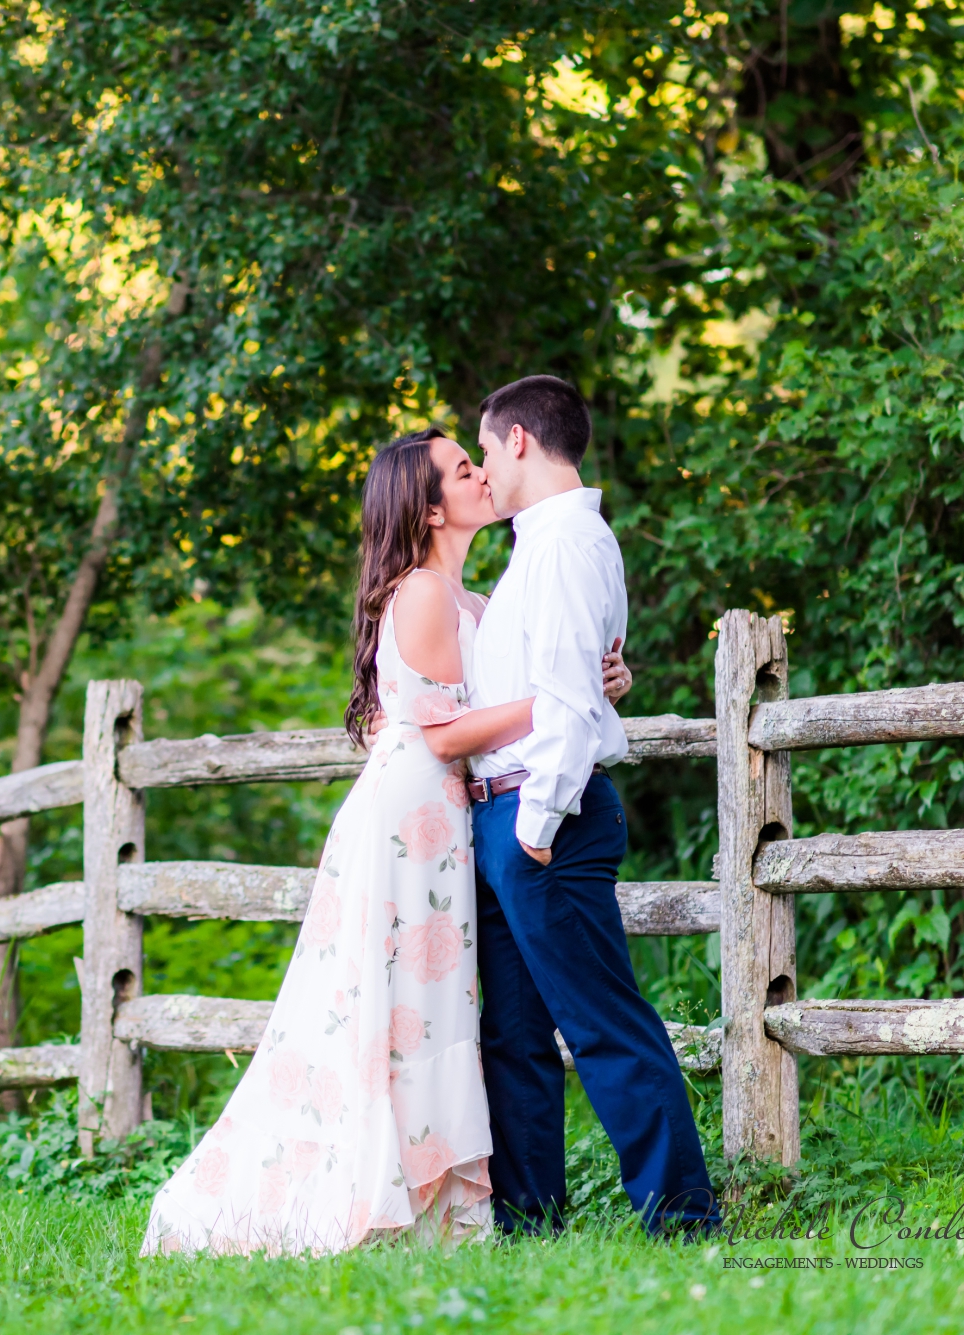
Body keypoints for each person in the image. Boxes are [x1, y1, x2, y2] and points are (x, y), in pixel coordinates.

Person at [139, 428, 630, 1256]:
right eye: (463, 469)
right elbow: (442, 733)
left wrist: (597, 680)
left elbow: (541, 676)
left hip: (444, 818)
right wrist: (566, 700)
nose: (482, 476)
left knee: (434, 1009)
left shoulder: (474, 600)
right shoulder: (424, 595)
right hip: (412, 816)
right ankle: (370, 1190)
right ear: (431, 506)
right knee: (396, 1006)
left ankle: (430, 1196)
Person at [465, 374, 721, 1237]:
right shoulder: (538, 547)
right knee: (515, 1038)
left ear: (521, 443)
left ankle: (683, 1218)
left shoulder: (569, 543)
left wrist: (534, 831)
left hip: (548, 821)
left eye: (486, 450)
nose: (483, 471)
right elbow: (567, 678)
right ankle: (529, 1222)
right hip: (506, 815)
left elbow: (571, 703)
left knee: (605, 1024)